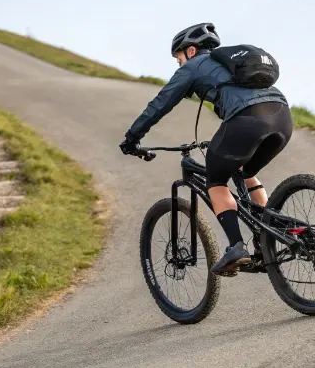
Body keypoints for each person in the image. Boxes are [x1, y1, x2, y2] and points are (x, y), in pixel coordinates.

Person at [119, 22, 293, 276]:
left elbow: (160, 104)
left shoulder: (193, 66)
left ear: (190, 51)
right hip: (283, 118)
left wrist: (132, 138)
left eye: (178, 58)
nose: (178, 64)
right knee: (244, 169)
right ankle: (272, 228)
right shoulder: (232, 65)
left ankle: (236, 247)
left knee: (216, 178)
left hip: (247, 120)